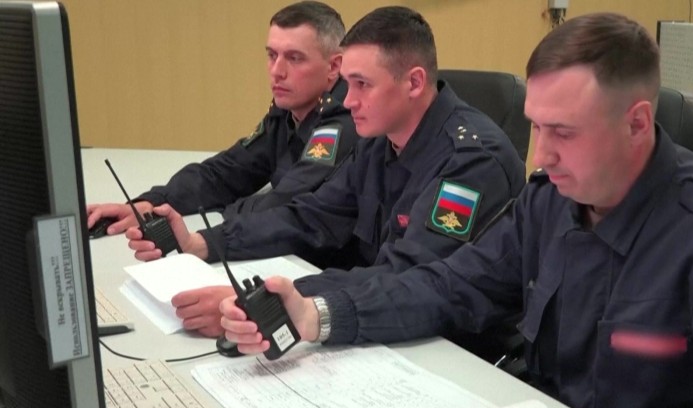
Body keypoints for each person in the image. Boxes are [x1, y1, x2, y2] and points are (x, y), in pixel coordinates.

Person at [219, 12, 693, 408]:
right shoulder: (549, 201)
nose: (540, 156)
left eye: (564, 131)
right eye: (535, 127)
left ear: (637, 123)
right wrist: (316, 313)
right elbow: (449, 286)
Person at [129, 6, 525, 340]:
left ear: (415, 82)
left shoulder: (472, 161)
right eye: (348, 84)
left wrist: (277, 301)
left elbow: (408, 276)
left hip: (448, 346)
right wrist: (202, 243)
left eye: (362, 84)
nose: (348, 101)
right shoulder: (379, 139)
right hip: (376, 319)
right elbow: (311, 216)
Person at [87, 1, 359, 235]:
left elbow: (284, 204)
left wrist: (203, 223)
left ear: (334, 66)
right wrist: (152, 204)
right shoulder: (290, 111)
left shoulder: (345, 121)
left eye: (295, 58)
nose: (277, 71)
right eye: (272, 55)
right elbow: (225, 173)